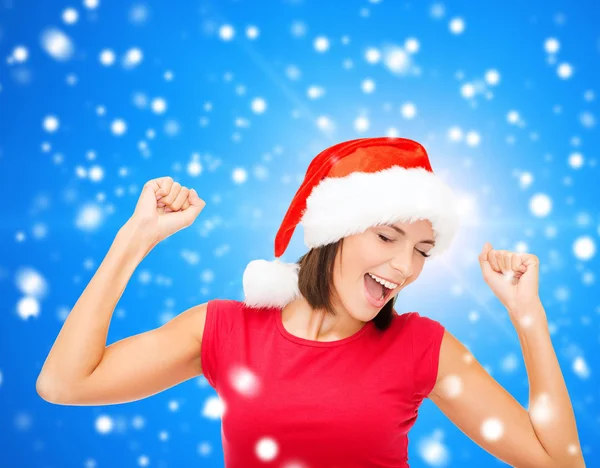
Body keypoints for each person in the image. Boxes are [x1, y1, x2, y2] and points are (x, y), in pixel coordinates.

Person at [36, 137, 586, 468]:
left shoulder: (422, 348)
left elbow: (559, 463)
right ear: (333, 234)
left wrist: (526, 314)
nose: (404, 267)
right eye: (387, 237)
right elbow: (64, 384)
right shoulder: (228, 330)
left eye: (421, 250)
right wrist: (136, 238)